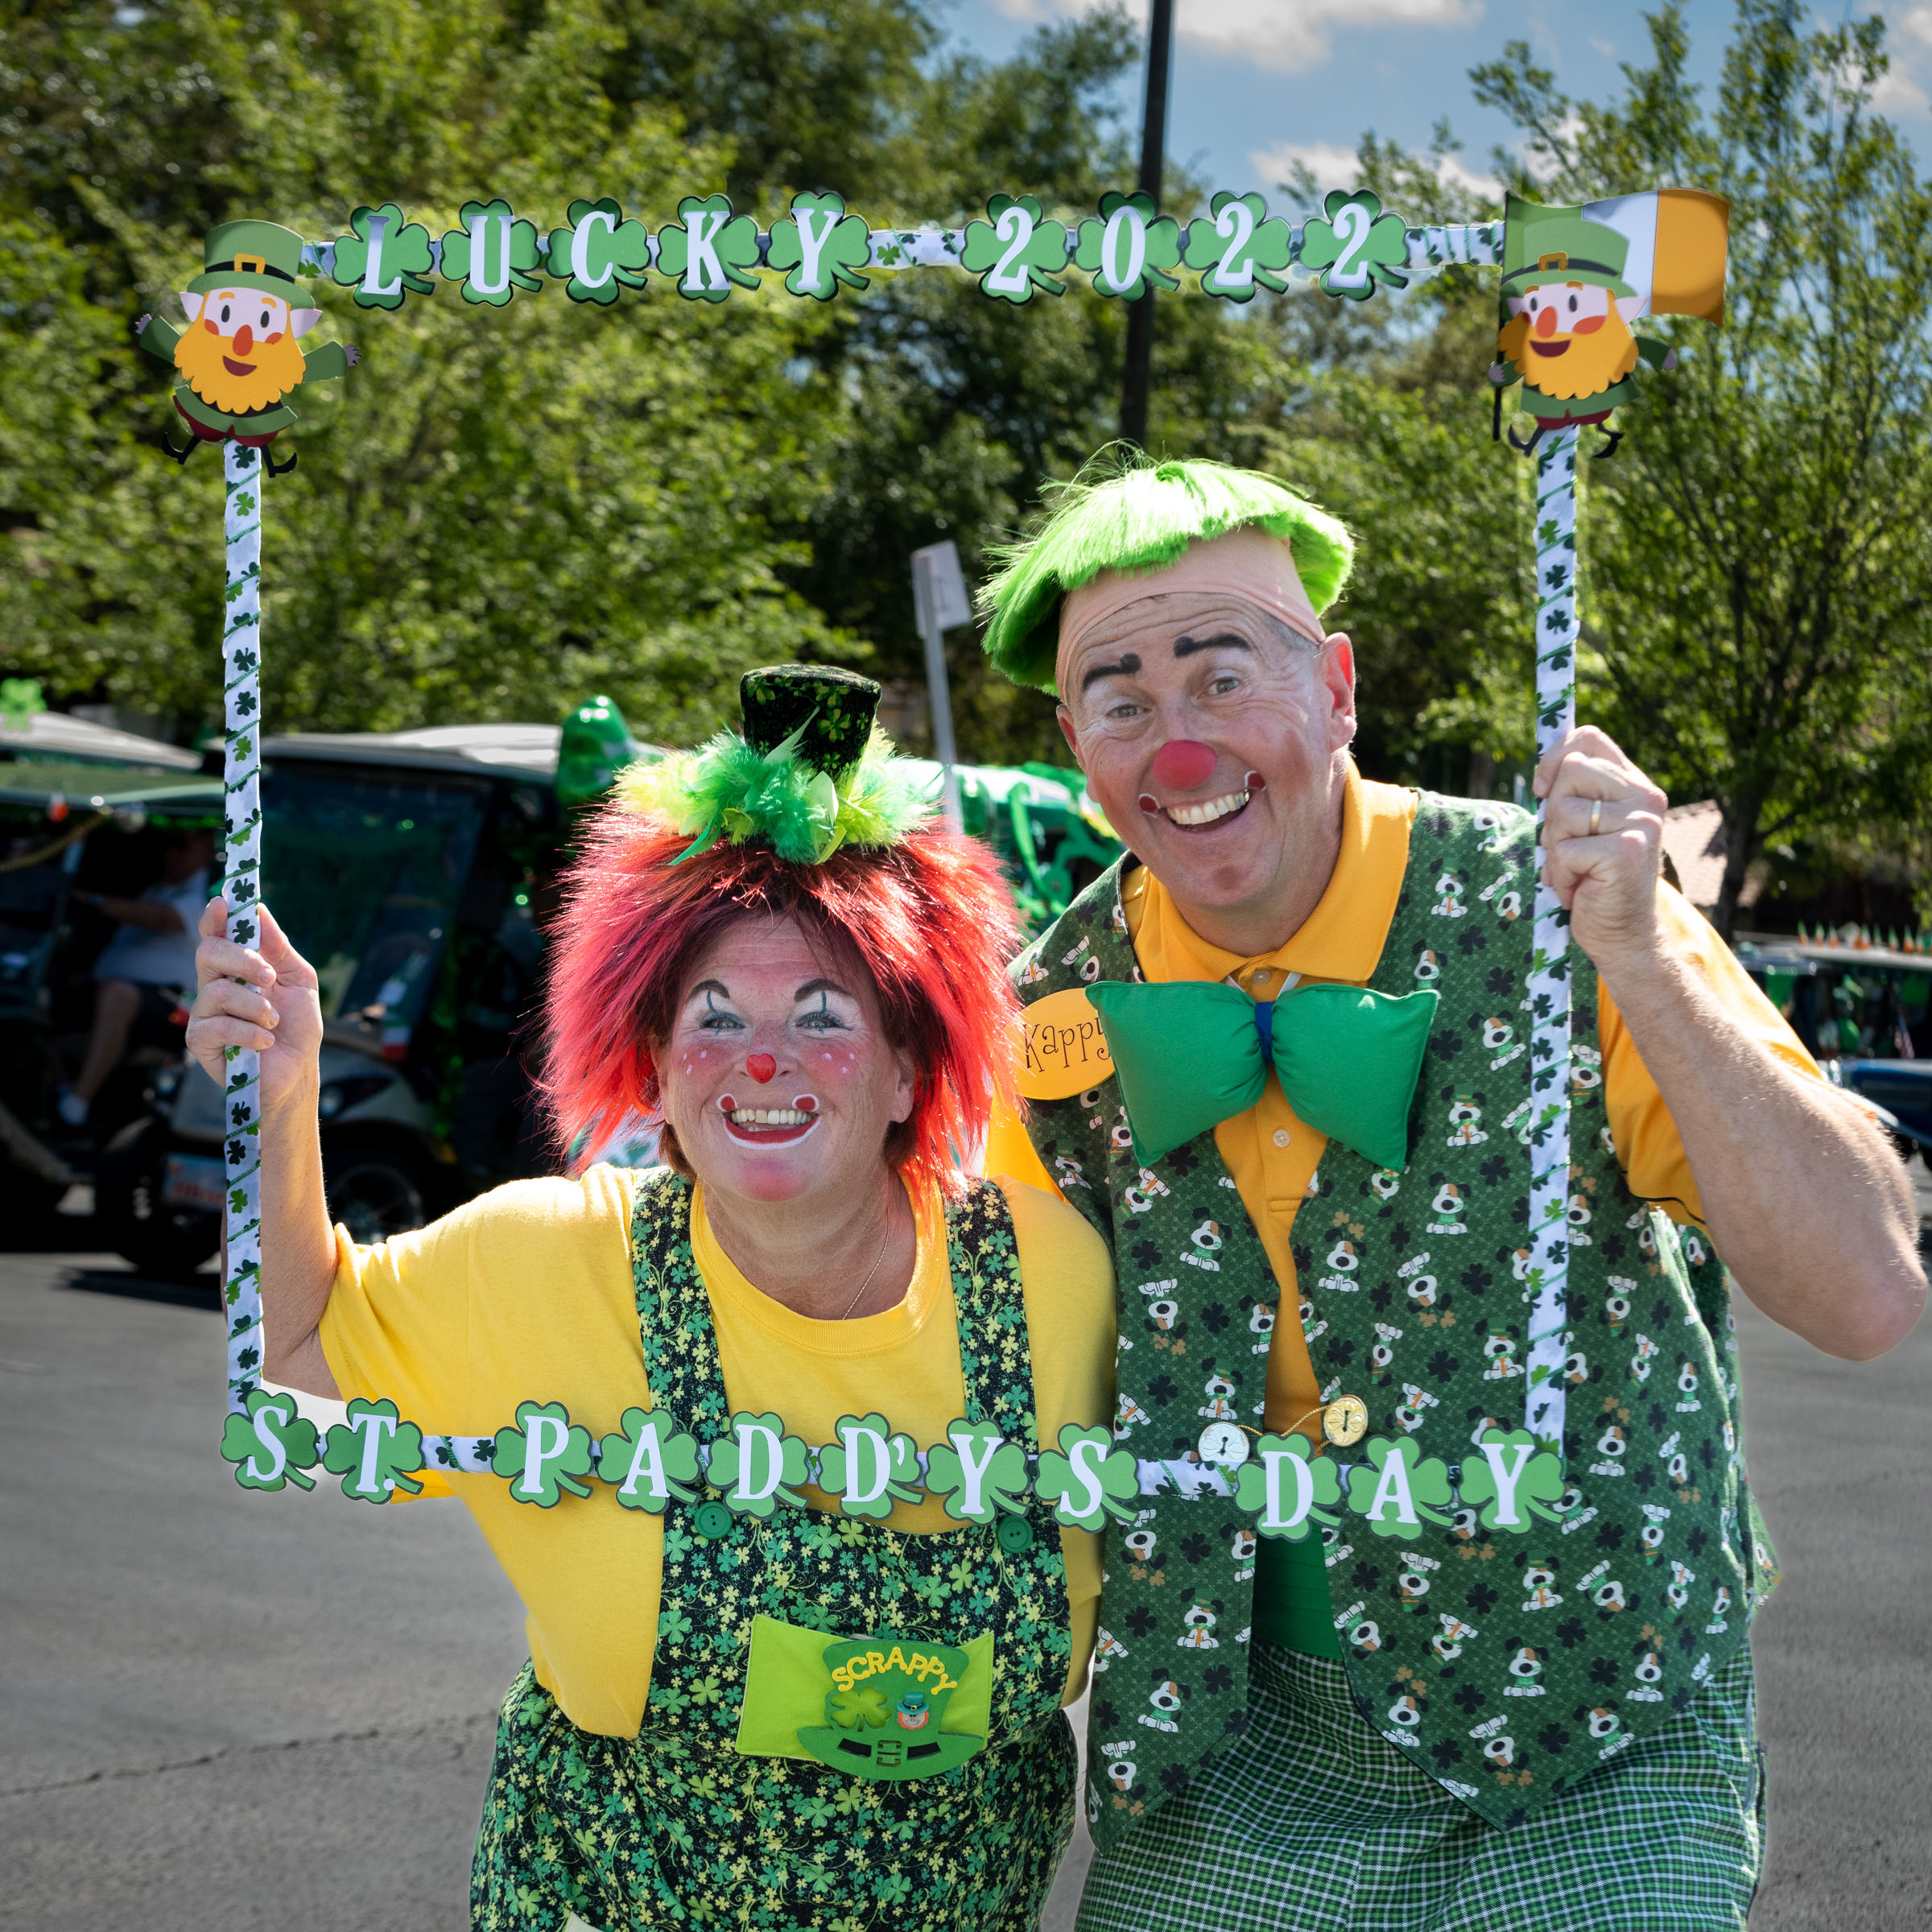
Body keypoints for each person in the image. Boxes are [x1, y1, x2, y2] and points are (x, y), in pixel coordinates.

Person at [977, 455, 1926, 1931]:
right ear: (1074, 745)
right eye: (1124, 702)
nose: (1181, 748)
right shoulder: (1050, 1013)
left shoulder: (1562, 914)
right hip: (1224, 1744)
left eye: (1225, 677)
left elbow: (1865, 1294)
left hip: (1594, 1719)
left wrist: (1647, 959)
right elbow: (983, 1372)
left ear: (1339, 689)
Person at [186, 666, 1116, 1931]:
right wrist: (279, 1095)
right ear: (660, 1072)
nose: (763, 1060)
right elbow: (290, 1359)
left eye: (824, 1015)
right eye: (714, 1020)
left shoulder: (1060, 1281)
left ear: (910, 1073)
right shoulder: (544, 1259)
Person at [59, 826, 215, 1129]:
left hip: (173, 1006)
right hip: (115, 992)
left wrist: (92, 901)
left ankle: (78, 1101)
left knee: (117, 994)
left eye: (182, 844)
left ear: (206, 853)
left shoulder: (208, 892)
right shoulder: (158, 887)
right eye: (170, 843)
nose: (171, 851)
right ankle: (57, 1096)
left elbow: (163, 919)